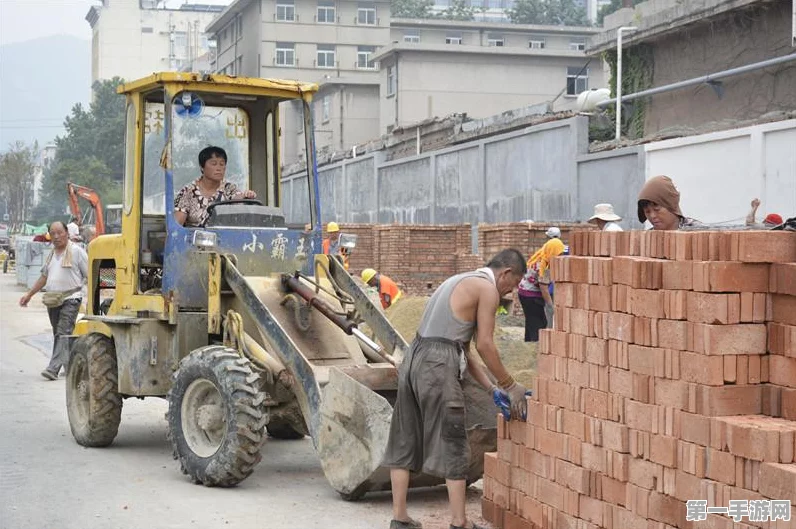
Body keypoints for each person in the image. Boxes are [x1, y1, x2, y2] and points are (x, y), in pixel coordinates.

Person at [383, 249, 529, 529]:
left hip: (414, 357)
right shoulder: (487, 289)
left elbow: (465, 349)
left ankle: (399, 519)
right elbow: (485, 344)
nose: (507, 294)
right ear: (506, 273)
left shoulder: (458, 280)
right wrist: (511, 386)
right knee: (453, 440)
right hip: (438, 365)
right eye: (511, 286)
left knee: (404, 437)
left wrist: (491, 389)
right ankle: (459, 522)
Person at [19, 221, 89, 381]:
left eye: (60, 232)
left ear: (67, 233)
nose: (56, 236)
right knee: (59, 333)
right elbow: (44, 277)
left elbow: (92, 272)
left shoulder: (77, 252)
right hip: (53, 300)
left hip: (71, 298)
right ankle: (71, 365)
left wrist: (97, 295)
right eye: (53, 233)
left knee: (63, 333)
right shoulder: (51, 255)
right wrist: (29, 295)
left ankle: (53, 369)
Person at [174, 146, 256, 227]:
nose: (219, 168)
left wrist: (247, 196)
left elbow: (238, 200)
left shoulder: (229, 188)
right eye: (214, 164)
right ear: (202, 167)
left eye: (222, 164)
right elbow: (177, 226)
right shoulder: (188, 191)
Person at [518, 238, 565, 342]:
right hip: (531, 296)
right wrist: (550, 305)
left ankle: (529, 343)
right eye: (559, 254)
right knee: (539, 324)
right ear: (553, 251)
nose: (560, 257)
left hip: (523, 293)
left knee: (531, 321)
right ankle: (536, 346)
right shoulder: (545, 264)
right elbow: (544, 288)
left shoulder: (541, 255)